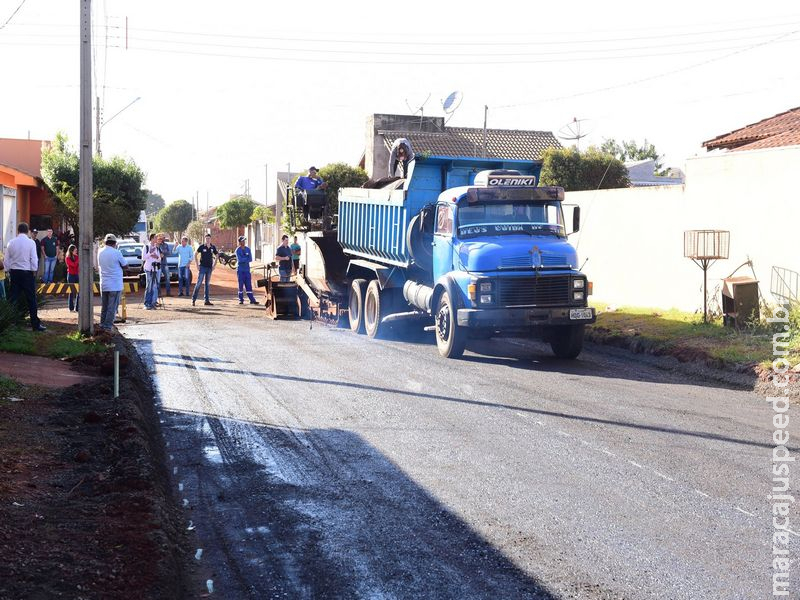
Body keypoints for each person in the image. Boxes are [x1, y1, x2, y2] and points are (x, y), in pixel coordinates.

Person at [5, 222, 45, 331]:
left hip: (15, 273)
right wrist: (33, 270)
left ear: (18, 231)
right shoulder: (31, 243)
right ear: (28, 231)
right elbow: (34, 259)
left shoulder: (11, 243)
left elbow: (7, 261)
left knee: (13, 299)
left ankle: (11, 323)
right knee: (31, 299)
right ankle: (35, 325)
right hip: (27, 273)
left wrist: (8, 270)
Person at [97, 234, 127, 331]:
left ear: (105, 242)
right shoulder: (116, 252)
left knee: (104, 306)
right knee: (112, 307)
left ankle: (102, 324)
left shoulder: (100, 252)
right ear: (114, 243)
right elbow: (125, 265)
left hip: (104, 283)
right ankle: (108, 327)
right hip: (115, 284)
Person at [192, 233, 218, 306]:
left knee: (207, 284)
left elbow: (217, 255)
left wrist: (214, 265)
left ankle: (206, 301)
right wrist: (197, 265)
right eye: (206, 238)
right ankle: (193, 300)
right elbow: (195, 254)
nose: (207, 240)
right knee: (199, 283)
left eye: (209, 238)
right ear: (205, 239)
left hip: (209, 268)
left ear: (210, 239)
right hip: (202, 267)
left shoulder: (213, 247)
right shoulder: (201, 247)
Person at [234, 235, 258, 305]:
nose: (244, 242)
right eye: (242, 241)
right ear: (240, 242)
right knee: (240, 284)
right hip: (240, 270)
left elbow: (250, 259)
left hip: (247, 270)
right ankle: (241, 299)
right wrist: (245, 258)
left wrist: (244, 258)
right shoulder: (237, 250)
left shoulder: (248, 249)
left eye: (244, 240)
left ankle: (252, 300)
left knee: (248, 285)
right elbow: (240, 260)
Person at [142, 233, 161, 309]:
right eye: (156, 237)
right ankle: (147, 303)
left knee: (154, 286)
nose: (157, 239)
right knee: (149, 286)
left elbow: (159, 259)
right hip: (148, 269)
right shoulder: (146, 247)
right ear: (152, 238)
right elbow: (143, 258)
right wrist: (150, 253)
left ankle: (153, 303)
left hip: (155, 269)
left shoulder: (156, 248)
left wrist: (156, 256)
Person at [65, 244, 80, 311]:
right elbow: (73, 265)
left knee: (79, 291)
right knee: (71, 292)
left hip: (77, 275)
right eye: (75, 250)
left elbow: (77, 265)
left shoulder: (77, 257)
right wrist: (78, 261)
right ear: (71, 251)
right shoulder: (67, 258)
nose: (76, 251)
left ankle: (77, 307)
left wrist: (78, 261)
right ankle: (71, 307)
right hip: (71, 275)